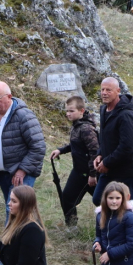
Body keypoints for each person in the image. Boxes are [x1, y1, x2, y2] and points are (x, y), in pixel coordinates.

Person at [0, 81, 46, 219]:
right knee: (19, 211)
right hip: (3, 174)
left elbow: (38, 147)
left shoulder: (24, 116)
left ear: (9, 96)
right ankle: (32, 236)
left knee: (13, 211)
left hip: (22, 174)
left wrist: (22, 170)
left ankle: (9, 241)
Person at [49, 96, 98, 227]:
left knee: (103, 201)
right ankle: (72, 227)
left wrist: (93, 174)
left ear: (82, 110)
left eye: (71, 111)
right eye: (67, 111)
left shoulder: (86, 128)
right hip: (78, 172)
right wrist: (61, 150)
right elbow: (76, 144)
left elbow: (95, 152)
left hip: (89, 174)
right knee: (67, 198)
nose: (68, 114)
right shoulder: (77, 125)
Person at [92, 77, 133, 206]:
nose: (104, 93)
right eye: (102, 89)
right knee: (99, 199)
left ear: (118, 91)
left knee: (125, 206)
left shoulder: (126, 115)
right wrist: (99, 154)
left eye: (108, 90)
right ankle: (108, 225)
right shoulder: (104, 110)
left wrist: (107, 162)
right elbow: (105, 138)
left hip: (127, 170)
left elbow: (127, 146)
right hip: (110, 167)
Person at [0, 185, 47, 265]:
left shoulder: (33, 230)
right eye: (10, 199)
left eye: (14, 201)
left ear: (24, 205)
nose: (9, 203)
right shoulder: (15, 222)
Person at [94, 182, 133, 265]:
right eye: (110, 198)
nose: (114, 201)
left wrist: (110, 254)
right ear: (105, 198)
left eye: (117, 198)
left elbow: (132, 243)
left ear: (123, 199)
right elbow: (99, 235)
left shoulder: (129, 217)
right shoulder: (100, 216)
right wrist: (97, 243)